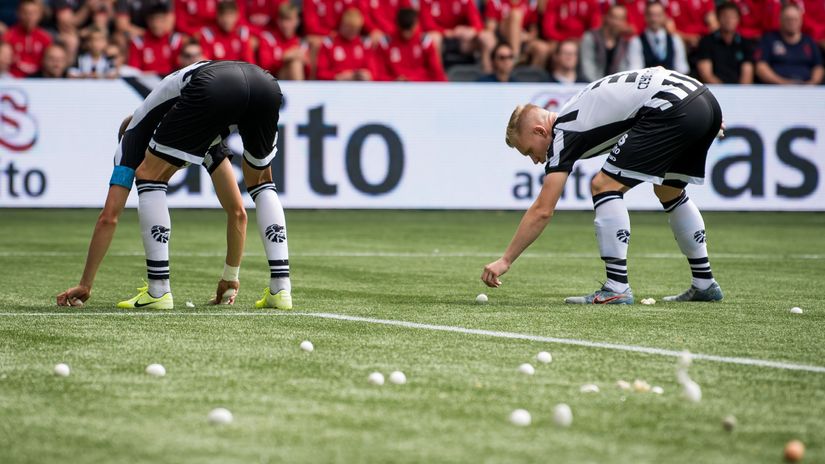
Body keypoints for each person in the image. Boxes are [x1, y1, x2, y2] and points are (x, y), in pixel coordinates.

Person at [57, 60, 293, 311]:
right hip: (264, 83)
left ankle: (158, 291)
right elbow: (238, 212)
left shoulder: (131, 138)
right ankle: (281, 289)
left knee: (150, 176)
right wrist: (230, 278)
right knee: (262, 183)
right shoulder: (197, 130)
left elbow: (109, 217)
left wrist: (85, 284)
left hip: (213, 84)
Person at [481, 67, 724, 304]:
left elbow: (543, 210)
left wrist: (506, 259)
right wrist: (700, 109)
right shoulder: (576, 107)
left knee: (602, 185)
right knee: (668, 190)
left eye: (529, 151)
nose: (535, 160)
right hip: (702, 100)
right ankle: (704, 282)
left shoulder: (563, 131)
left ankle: (616, 287)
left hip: (673, 106)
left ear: (539, 131)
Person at [754, 3, 823, 86]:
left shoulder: (809, 41)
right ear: (780, 20)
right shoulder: (769, 39)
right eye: (788, 19)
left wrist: (812, 84)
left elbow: (818, 67)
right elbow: (761, 67)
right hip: (775, 90)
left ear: (801, 20)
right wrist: (783, 83)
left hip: (807, 91)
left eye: (795, 19)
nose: (792, 22)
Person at [377, 7, 447, 82]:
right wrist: (393, 81)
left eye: (409, 29)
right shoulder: (386, 43)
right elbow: (379, 74)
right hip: (394, 88)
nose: (406, 34)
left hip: (421, 87)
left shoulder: (424, 42)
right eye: (404, 29)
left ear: (416, 24)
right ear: (397, 24)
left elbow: (437, 73)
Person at [695, 2, 754, 85]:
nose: (729, 20)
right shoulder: (706, 41)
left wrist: (740, 93)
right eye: (725, 16)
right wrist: (724, 91)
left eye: (733, 17)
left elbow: (747, 73)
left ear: (738, 19)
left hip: (740, 92)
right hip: (715, 91)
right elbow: (706, 74)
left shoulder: (745, 43)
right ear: (718, 18)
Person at [623, 1, 689, 74]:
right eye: (651, 15)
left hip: (670, 83)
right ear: (645, 16)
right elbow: (635, 69)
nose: (654, 19)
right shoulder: (636, 41)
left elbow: (682, 69)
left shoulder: (675, 40)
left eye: (658, 15)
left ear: (664, 16)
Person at [316, 8, 376, 81]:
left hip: (359, 87)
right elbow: (321, 73)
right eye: (350, 28)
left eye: (356, 29)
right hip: (335, 87)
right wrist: (336, 77)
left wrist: (367, 75)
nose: (353, 32)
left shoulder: (364, 44)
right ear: (342, 25)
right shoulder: (329, 43)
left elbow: (374, 71)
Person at [127, 2, 184, 75]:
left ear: (165, 20)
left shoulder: (174, 40)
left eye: (160, 20)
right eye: (153, 20)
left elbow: (180, 68)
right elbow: (133, 71)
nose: (156, 24)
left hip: (170, 82)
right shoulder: (138, 42)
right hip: (146, 82)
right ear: (147, 21)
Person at [580, 4, 631, 82]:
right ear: (606, 17)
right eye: (614, 18)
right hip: (590, 86)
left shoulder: (624, 42)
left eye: (621, 19)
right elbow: (587, 68)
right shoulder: (590, 38)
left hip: (616, 88)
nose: (617, 23)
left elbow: (624, 70)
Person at [3, 0, 52, 77]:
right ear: (18, 14)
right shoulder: (9, 36)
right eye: (26, 13)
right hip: (13, 78)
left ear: (40, 15)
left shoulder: (45, 38)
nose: (29, 17)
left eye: (33, 13)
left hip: (39, 80)